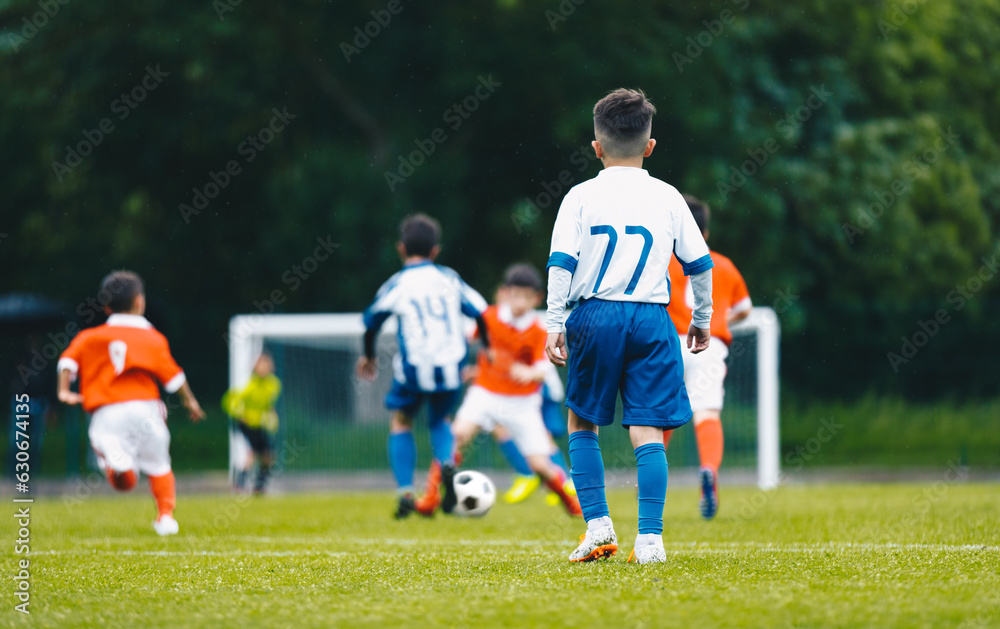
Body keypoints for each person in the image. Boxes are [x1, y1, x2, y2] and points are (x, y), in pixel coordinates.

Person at [545, 89, 714, 564]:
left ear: (596, 147)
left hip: (594, 314)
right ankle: (651, 541)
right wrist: (702, 319)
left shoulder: (580, 195)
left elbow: (561, 263)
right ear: (650, 146)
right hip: (651, 316)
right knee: (648, 429)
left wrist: (554, 321)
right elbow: (700, 265)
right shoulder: (667, 195)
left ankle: (598, 527)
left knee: (582, 420)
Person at [355, 213, 490, 519]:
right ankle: (447, 464)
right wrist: (488, 349)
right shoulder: (448, 278)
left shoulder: (398, 283)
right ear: (435, 250)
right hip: (450, 365)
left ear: (400, 248)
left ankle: (405, 490)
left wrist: (369, 355)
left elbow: (371, 321)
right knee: (440, 420)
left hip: (415, 367)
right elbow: (482, 313)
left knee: (402, 421)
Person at [56, 271, 206, 536]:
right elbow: (175, 378)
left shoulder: (90, 337)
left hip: (108, 410)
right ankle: (166, 518)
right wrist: (191, 402)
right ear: (139, 301)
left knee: (117, 467)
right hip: (147, 409)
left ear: (106, 306)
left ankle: (121, 464)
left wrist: (64, 390)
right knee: (160, 465)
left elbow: (66, 362)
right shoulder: (153, 338)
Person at [449, 264, 581, 517]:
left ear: (537, 299)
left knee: (540, 465)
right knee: (459, 434)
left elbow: (543, 368)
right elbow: (472, 341)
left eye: (526, 297)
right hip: (485, 393)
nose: (520, 302)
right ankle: (432, 495)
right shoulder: (488, 318)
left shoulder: (537, 329)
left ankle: (568, 501)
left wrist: (528, 372)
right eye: (516, 295)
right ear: (505, 293)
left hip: (522, 402)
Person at [664, 194, 752, 520]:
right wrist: (720, 319)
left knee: (662, 414)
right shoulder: (723, 265)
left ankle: (651, 477)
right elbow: (744, 310)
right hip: (709, 343)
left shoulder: (664, 261)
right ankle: (708, 469)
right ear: (706, 233)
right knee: (707, 413)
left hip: (670, 344)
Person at [222, 352, 282, 494]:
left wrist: (271, 415)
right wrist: (240, 414)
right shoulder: (249, 384)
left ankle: (259, 485)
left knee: (269, 455)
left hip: (261, 425)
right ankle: (241, 485)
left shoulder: (274, 384)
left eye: (265, 366)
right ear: (255, 367)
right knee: (254, 453)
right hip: (247, 424)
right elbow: (229, 401)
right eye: (260, 365)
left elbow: (269, 404)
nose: (263, 369)